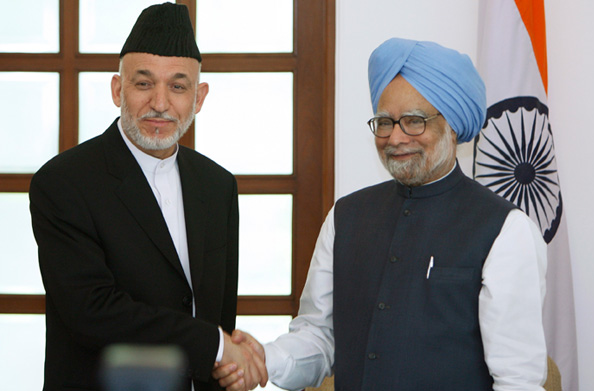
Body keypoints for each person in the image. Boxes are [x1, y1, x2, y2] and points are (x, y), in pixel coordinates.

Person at [214, 38, 548, 391]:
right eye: (385, 122)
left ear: (451, 126)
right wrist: (265, 359)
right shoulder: (346, 217)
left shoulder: (505, 230)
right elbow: (318, 337)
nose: (396, 137)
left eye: (415, 121)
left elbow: (517, 381)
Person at [29, 3, 266, 390]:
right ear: (117, 89)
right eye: (143, 84)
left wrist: (228, 361)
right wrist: (217, 346)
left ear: (199, 97)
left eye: (177, 86)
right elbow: (93, 313)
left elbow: (217, 313)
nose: (159, 103)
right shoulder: (63, 183)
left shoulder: (217, 185)